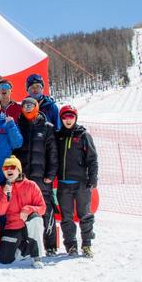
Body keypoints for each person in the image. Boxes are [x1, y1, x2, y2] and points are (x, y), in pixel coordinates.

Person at [14, 97, 58, 256]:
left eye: (30, 105)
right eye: (25, 105)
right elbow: (14, 152)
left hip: (42, 178)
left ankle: (50, 245)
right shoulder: (18, 126)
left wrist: (50, 175)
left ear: (37, 107)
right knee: (24, 211)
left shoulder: (47, 127)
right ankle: (26, 244)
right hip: (24, 178)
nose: (27, 108)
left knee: (46, 210)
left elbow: (53, 154)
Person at [55, 105, 98, 258]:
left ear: (75, 118)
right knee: (66, 217)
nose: (68, 120)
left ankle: (86, 245)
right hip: (63, 184)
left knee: (84, 215)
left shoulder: (83, 135)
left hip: (81, 183)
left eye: (71, 117)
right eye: (65, 117)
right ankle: (71, 246)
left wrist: (93, 178)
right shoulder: (58, 136)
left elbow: (92, 159)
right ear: (61, 118)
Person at [0, 155, 46, 268]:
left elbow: (42, 208)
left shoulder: (31, 185)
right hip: (13, 226)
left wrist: (28, 209)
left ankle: (37, 257)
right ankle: (25, 249)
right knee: (4, 259)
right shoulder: (1, 188)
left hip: (29, 224)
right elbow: (0, 211)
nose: (8, 170)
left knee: (36, 219)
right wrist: (5, 195)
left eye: (12, 167)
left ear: (19, 170)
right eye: (5, 168)